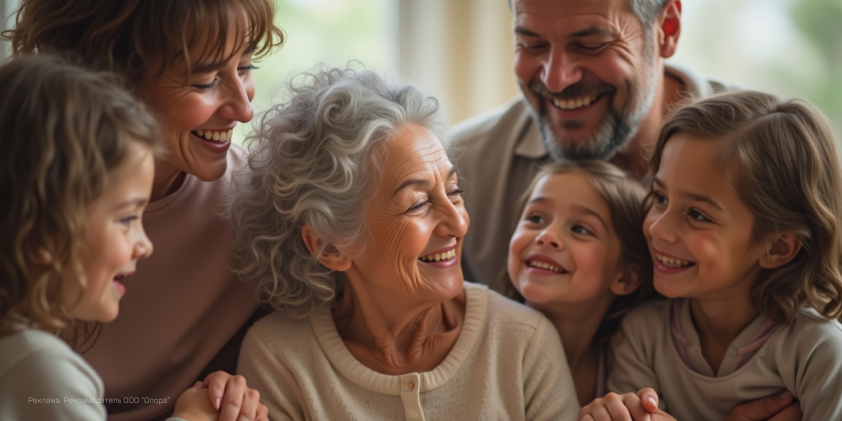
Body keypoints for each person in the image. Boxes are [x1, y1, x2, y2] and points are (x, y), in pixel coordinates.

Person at [230, 67, 580, 420]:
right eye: (418, 204)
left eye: (454, 191)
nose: (459, 223)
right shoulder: (280, 359)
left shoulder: (524, 342)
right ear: (330, 247)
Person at [3, 1, 284, 420]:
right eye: (205, 80)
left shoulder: (266, 211)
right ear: (108, 78)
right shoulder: (21, 205)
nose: (244, 110)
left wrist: (229, 395)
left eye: (246, 67)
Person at [581, 91, 842, 420]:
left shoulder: (819, 351)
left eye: (697, 215)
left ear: (776, 248)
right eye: (660, 197)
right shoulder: (641, 334)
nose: (658, 228)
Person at [451, 0, 735, 292]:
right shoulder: (459, 167)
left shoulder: (759, 154)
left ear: (667, 28)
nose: (556, 81)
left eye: (591, 45)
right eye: (532, 45)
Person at [505, 160, 655, 407]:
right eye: (536, 218)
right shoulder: (484, 339)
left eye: (581, 229)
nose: (547, 236)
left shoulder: (627, 371)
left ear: (625, 278)